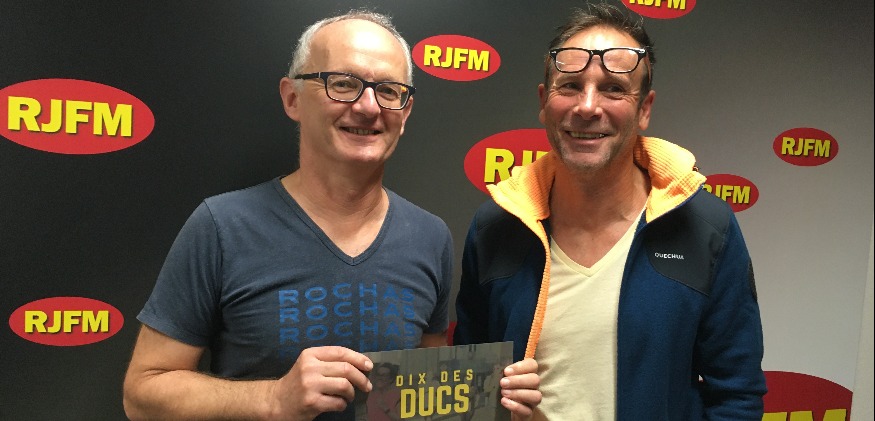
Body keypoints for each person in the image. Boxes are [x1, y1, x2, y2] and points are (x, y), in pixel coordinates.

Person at [122, 10, 456, 421]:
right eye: (343, 83)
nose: (369, 106)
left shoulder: (431, 237)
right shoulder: (222, 227)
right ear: (292, 98)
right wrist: (272, 399)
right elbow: (142, 394)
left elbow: (428, 396)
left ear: (405, 112)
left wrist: (500, 400)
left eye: (388, 90)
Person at [453, 3, 767, 421]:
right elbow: (469, 391)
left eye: (613, 89)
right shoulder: (495, 227)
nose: (587, 106)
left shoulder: (706, 228)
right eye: (570, 86)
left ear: (644, 109)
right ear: (544, 102)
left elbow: (737, 397)